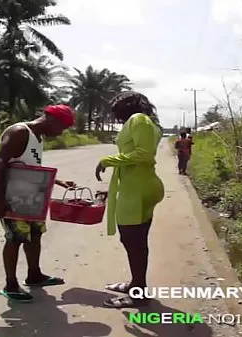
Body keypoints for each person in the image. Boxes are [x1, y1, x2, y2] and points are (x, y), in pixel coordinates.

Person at [0, 105, 76, 303]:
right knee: (15, 238)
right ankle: (10, 285)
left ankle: (34, 274)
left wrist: (57, 181)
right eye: (61, 128)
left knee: (35, 235)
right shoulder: (20, 132)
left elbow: (29, 167)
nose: (60, 133)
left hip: (32, 198)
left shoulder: (38, 136)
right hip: (13, 198)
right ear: (52, 120)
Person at [95, 91, 165, 308]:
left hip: (138, 188)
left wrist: (108, 160)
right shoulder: (144, 122)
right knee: (134, 241)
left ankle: (138, 294)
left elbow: (144, 154)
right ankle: (135, 284)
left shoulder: (139, 120)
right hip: (136, 185)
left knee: (134, 243)